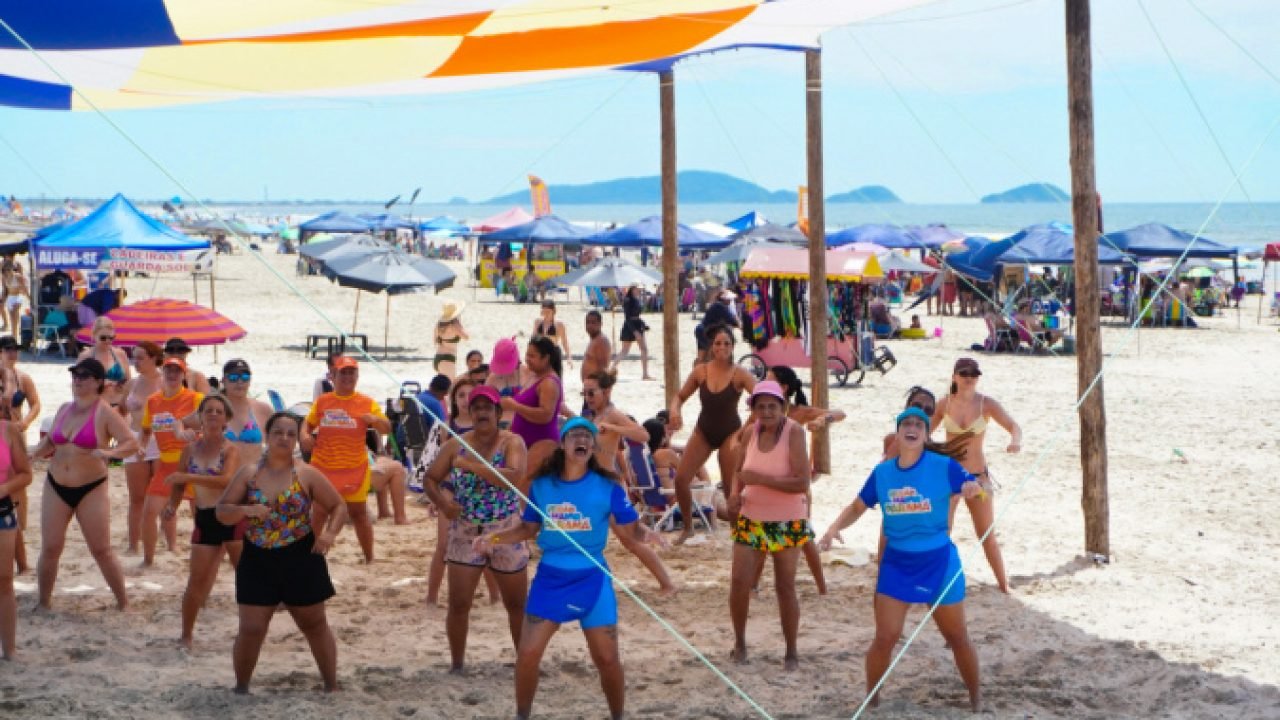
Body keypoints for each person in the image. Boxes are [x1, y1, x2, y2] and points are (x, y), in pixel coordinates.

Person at [817, 407, 984, 711]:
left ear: (925, 434)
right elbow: (857, 506)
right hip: (898, 563)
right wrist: (832, 529)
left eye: (918, 424)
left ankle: (976, 700)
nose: (912, 427)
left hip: (939, 561)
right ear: (897, 433)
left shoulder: (943, 466)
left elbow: (976, 486)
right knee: (885, 638)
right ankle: (873, 698)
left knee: (957, 636)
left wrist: (974, 488)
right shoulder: (883, 473)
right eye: (905, 423)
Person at [479, 417, 644, 720]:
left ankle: (618, 716)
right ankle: (522, 715)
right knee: (528, 655)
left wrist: (648, 535)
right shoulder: (542, 486)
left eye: (587, 437)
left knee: (607, 659)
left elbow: (632, 530)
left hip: (593, 578)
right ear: (564, 444)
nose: (581, 440)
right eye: (574, 436)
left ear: (593, 447)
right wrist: (495, 537)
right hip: (551, 579)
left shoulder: (608, 485)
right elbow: (528, 528)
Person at [216, 412, 346, 694]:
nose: (284, 438)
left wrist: (330, 533)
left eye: (290, 433)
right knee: (251, 628)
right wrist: (245, 510)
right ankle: (241, 687)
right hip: (258, 556)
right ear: (267, 435)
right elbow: (222, 512)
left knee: (314, 624)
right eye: (278, 432)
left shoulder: (306, 473)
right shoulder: (249, 473)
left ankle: (331, 685)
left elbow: (338, 505)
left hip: (300, 555)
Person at [423, 385, 529, 673]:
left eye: (488, 408)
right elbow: (429, 479)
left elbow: (513, 478)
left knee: (517, 604)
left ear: (497, 412)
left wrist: (471, 466)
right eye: (477, 408)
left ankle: (524, 662)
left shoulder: (511, 442)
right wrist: (443, 505)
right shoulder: (456, 444)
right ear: (470, 413)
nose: (482, 412)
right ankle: (457, 665)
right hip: (466, 530)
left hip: (505, 529)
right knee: (459, 604)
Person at [33, 359, 138, 610]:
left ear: (98, 382)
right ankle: (43, 602)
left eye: (84, 376)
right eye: (75, 375)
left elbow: (131, 443)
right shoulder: (64, 409)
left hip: (91, 486)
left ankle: (123, 602)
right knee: (50, 547)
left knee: (101, 549)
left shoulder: (105, 412)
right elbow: (50, 444)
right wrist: (31, 453)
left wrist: (110, 454)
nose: (77, 380)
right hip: (56, 482)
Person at [727, 381, 811, 669]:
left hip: (787, 520)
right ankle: (739, 643)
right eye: (760, 406)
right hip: (751, 517)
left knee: (784, 586)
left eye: (772, 406)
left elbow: (802, 482)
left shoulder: (795, 433)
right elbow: (739, 472)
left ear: (783, 407)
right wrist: (734, 495)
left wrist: (762, 481)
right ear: (753, 410)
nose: (766, 411)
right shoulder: (750, 432)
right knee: (739, 582)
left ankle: (791, 651)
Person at [581, 370, 677, 596]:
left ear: (605, 392)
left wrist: (614, 429)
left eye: (592, 392)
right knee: (585, 537)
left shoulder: (612, 414)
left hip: (607, 487)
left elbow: (642, 434)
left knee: (630, 540)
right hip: (590, 486)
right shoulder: (590, 415)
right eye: (584, 393)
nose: (588, 397)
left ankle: (667, 583)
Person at [930, 357, 1021, 593]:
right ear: (954, 377)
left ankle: (1004, 584)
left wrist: (1015, 442)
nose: (969, 378)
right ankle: (936, 583)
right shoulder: (944, 404)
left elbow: (1013, 426)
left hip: (978, 476)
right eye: (964, 373)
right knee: (942, 533)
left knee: (986, 535)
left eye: (973, 374)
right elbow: (923, 434)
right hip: (949, 477)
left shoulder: (986, 404)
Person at [163, 395, 243, 651]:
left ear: (226, 419)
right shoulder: (190, 449)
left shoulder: (230, 449)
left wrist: (187, 475)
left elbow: (225, 480)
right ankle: (186, 635)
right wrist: (172, 506)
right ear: (199, 417)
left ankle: (250, 629)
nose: (213, 415)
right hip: (206, 516)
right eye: (208, 411)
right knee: (196, 580)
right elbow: (178, 483)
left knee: (247, 577)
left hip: (231, 515)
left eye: (219, 411)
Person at [668, 325, 756, 544]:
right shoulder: (701, 371)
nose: (722, 347)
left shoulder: (740, 374)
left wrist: (745, 429)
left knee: (729, 488)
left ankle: (738, 534)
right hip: (704, 430)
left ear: (733, 347)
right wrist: (674, 410)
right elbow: (679, 396)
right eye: (718, 343)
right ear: (711, 347)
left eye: (727, 343)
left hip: (730, 433)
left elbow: (763, 399)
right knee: (681, 479)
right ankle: (688, 528)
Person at [301, 355, 391, 564]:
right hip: (323, 467)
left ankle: (369, 557)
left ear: (357, 376)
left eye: (352, 372)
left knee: (359, 513)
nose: (348, 377)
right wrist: (304, 436)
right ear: (333, 376)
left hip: (354, 467)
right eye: (343, 372)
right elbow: (307, 423)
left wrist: (376, 420)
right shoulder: (323, 401)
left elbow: (387, 428)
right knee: (320, 513)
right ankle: (309, 557)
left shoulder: (366, 402)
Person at [424, 378, 500, 607]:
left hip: (483, 491)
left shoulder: (492, 429)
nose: (466, 400)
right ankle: (432, 597)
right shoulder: (449, 426)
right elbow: (441, 466)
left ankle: (495, 596)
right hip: (452, 489)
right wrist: (438, 498)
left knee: (484, 546)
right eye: (461, 395)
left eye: (470, 395)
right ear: (453, 399)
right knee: (443, 546)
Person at [138, 356, 203, 567]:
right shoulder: (153, 401)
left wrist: (193, 434)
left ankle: (204, 557)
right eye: (169, 371)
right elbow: (146, 430)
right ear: (163, 373)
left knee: (201, 517)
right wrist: (141, 445)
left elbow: (210, 425)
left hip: (193, 464)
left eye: (177, 371)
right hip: (166, 466)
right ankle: (148, 560)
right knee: (149, 512)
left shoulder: (195, 398)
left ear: (184, 375)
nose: (173, 375)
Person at [0, 335, 39, 572]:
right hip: (4, 434)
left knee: (19, 490)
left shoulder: (23, 378)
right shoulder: (5, 379)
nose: (13, 353)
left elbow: (36, 404)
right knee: (10, 491)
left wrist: (25, 421)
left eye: (16, 349)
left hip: (15, 433)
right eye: (9, 349)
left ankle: (21, 532)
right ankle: (20, 557)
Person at [121, 341, 163, 555]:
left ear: (154, 358)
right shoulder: (132, 384)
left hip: (160, 438)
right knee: (136, 497)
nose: (135, 362)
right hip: (136, 436)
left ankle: (167, 542)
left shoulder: (165, 382)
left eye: (140, 358)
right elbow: (119, 411)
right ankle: (133, 544)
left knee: (160, 495)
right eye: (134, 357)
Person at [502, 336, 563, 482]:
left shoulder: (549, 382)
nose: (527, 359)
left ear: (546, 358)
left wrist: (515, 406)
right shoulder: (534, 376)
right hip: (523, 443)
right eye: (527, 354)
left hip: (539, 444)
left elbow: (545, 415)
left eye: (532, 356)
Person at [0, 405, 31, 658]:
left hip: (2, 510)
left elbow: (26, 474)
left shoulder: (8, 430)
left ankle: (9, 650)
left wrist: (3, 489)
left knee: (4, 581)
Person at [217, 358, 274, 467]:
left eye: (245, 378)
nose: (240, 382)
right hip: (220, 479)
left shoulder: (263, 409)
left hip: (253, 479)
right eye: (233, 378)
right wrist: (182, 433)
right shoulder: (212, 408)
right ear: (223, 380)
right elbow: (182, 422)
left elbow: (277, 445)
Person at [77, 316, 131, 407]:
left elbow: (129, 381)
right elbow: (77, 385)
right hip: (95, 406)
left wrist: (122, 385)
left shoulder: (120, 354)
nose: (107, 341)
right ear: (94, 335)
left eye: (111, 338)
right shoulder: (86, 356)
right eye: (103, 338)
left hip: (118, 405)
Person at [612, 286, 653, 380]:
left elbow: (637, 315)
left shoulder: (636, 299)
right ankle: (612, 368)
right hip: (630, 326)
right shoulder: (628, 300)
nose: (639, 290)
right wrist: (635, 331)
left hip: (637, 325)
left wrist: (644, 325)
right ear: (632, 289)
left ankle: (645, 374)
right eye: (637, 289)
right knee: (625, 351)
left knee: (644, 349)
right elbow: (628, 318)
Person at [695, 290, 740, 365]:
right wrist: (740, 325)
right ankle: (701, 373)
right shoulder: (720, 306)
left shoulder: (717, 305)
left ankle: (696, 373)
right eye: (729, 299)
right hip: (705, 332)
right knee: (709, 354)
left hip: (701, 330)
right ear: (725, 299)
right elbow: (732, 321)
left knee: (701, 356)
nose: (730, 301)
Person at [434, 301, 469, 378]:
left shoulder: (439, 324)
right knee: (450, 386)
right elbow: (466, 336)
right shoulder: (454, 325)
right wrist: (459, 325)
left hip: (438, 356)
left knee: (443, 385)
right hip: (448, 358)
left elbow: (435, 340)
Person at [533, 300, 572, 369]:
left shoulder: (559, 325)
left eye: (548, 311)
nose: (546, 314)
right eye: (544, 311)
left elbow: (564, 342)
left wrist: (569, 357)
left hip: (553, 354)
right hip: (540, 354)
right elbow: (533, 339)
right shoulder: (538, 322)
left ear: (553, 311)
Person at [580, 310, 611, 394]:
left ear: (600, 324)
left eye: (593, 323)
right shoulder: (594, 340)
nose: (590, 325)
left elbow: (603, 368)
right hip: (590, 389)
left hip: (595, 392)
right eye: (587, 322)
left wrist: (597, 390)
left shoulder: (601, 341)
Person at [2, 262, 29, 343]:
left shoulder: (18, 277)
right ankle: (14, 337)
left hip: (18, 297)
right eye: (6, 270)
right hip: (10, 298)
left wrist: (29, 298)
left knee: (15, 317)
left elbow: (24, 288)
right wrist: (3, 300)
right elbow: (5, 290)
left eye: (9, 269)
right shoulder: (4, 278)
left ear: (12, 269)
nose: (8, 271)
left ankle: (15, 339)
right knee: (12, 319)